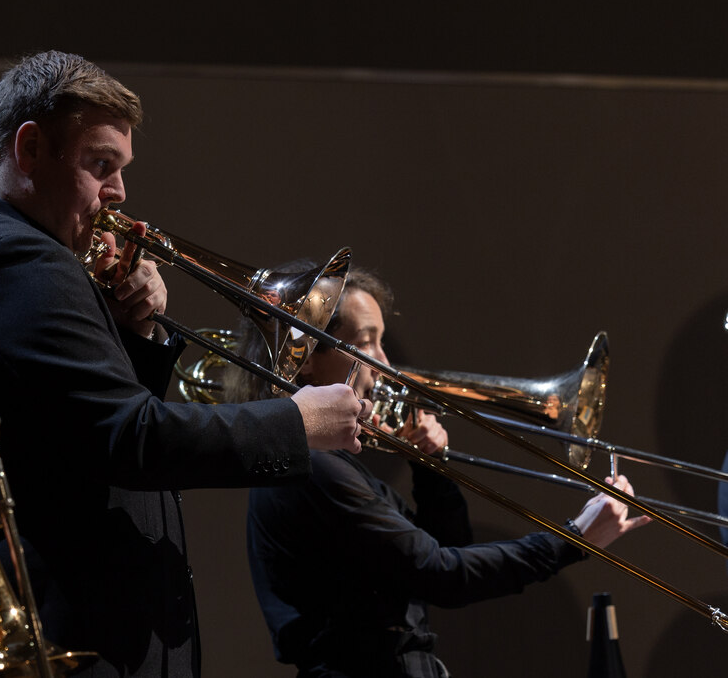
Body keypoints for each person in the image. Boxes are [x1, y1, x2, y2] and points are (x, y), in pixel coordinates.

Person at [0, 50, 366, 677]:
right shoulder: (20, 261)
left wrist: (133, 329)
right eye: (100, 165)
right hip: (78, 641)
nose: (119, 194)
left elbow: (74, 431)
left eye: (121, 168)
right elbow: (130, 437)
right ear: (27, 150)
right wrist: (296, 423)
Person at [236, 269, 651, 678]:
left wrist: (430, 468)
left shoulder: (329, 465)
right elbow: (442, 574)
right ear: (304, 360)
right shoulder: (312, 468)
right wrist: (573, 539)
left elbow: (448, 548)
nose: (384, 363)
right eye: (365, 343)